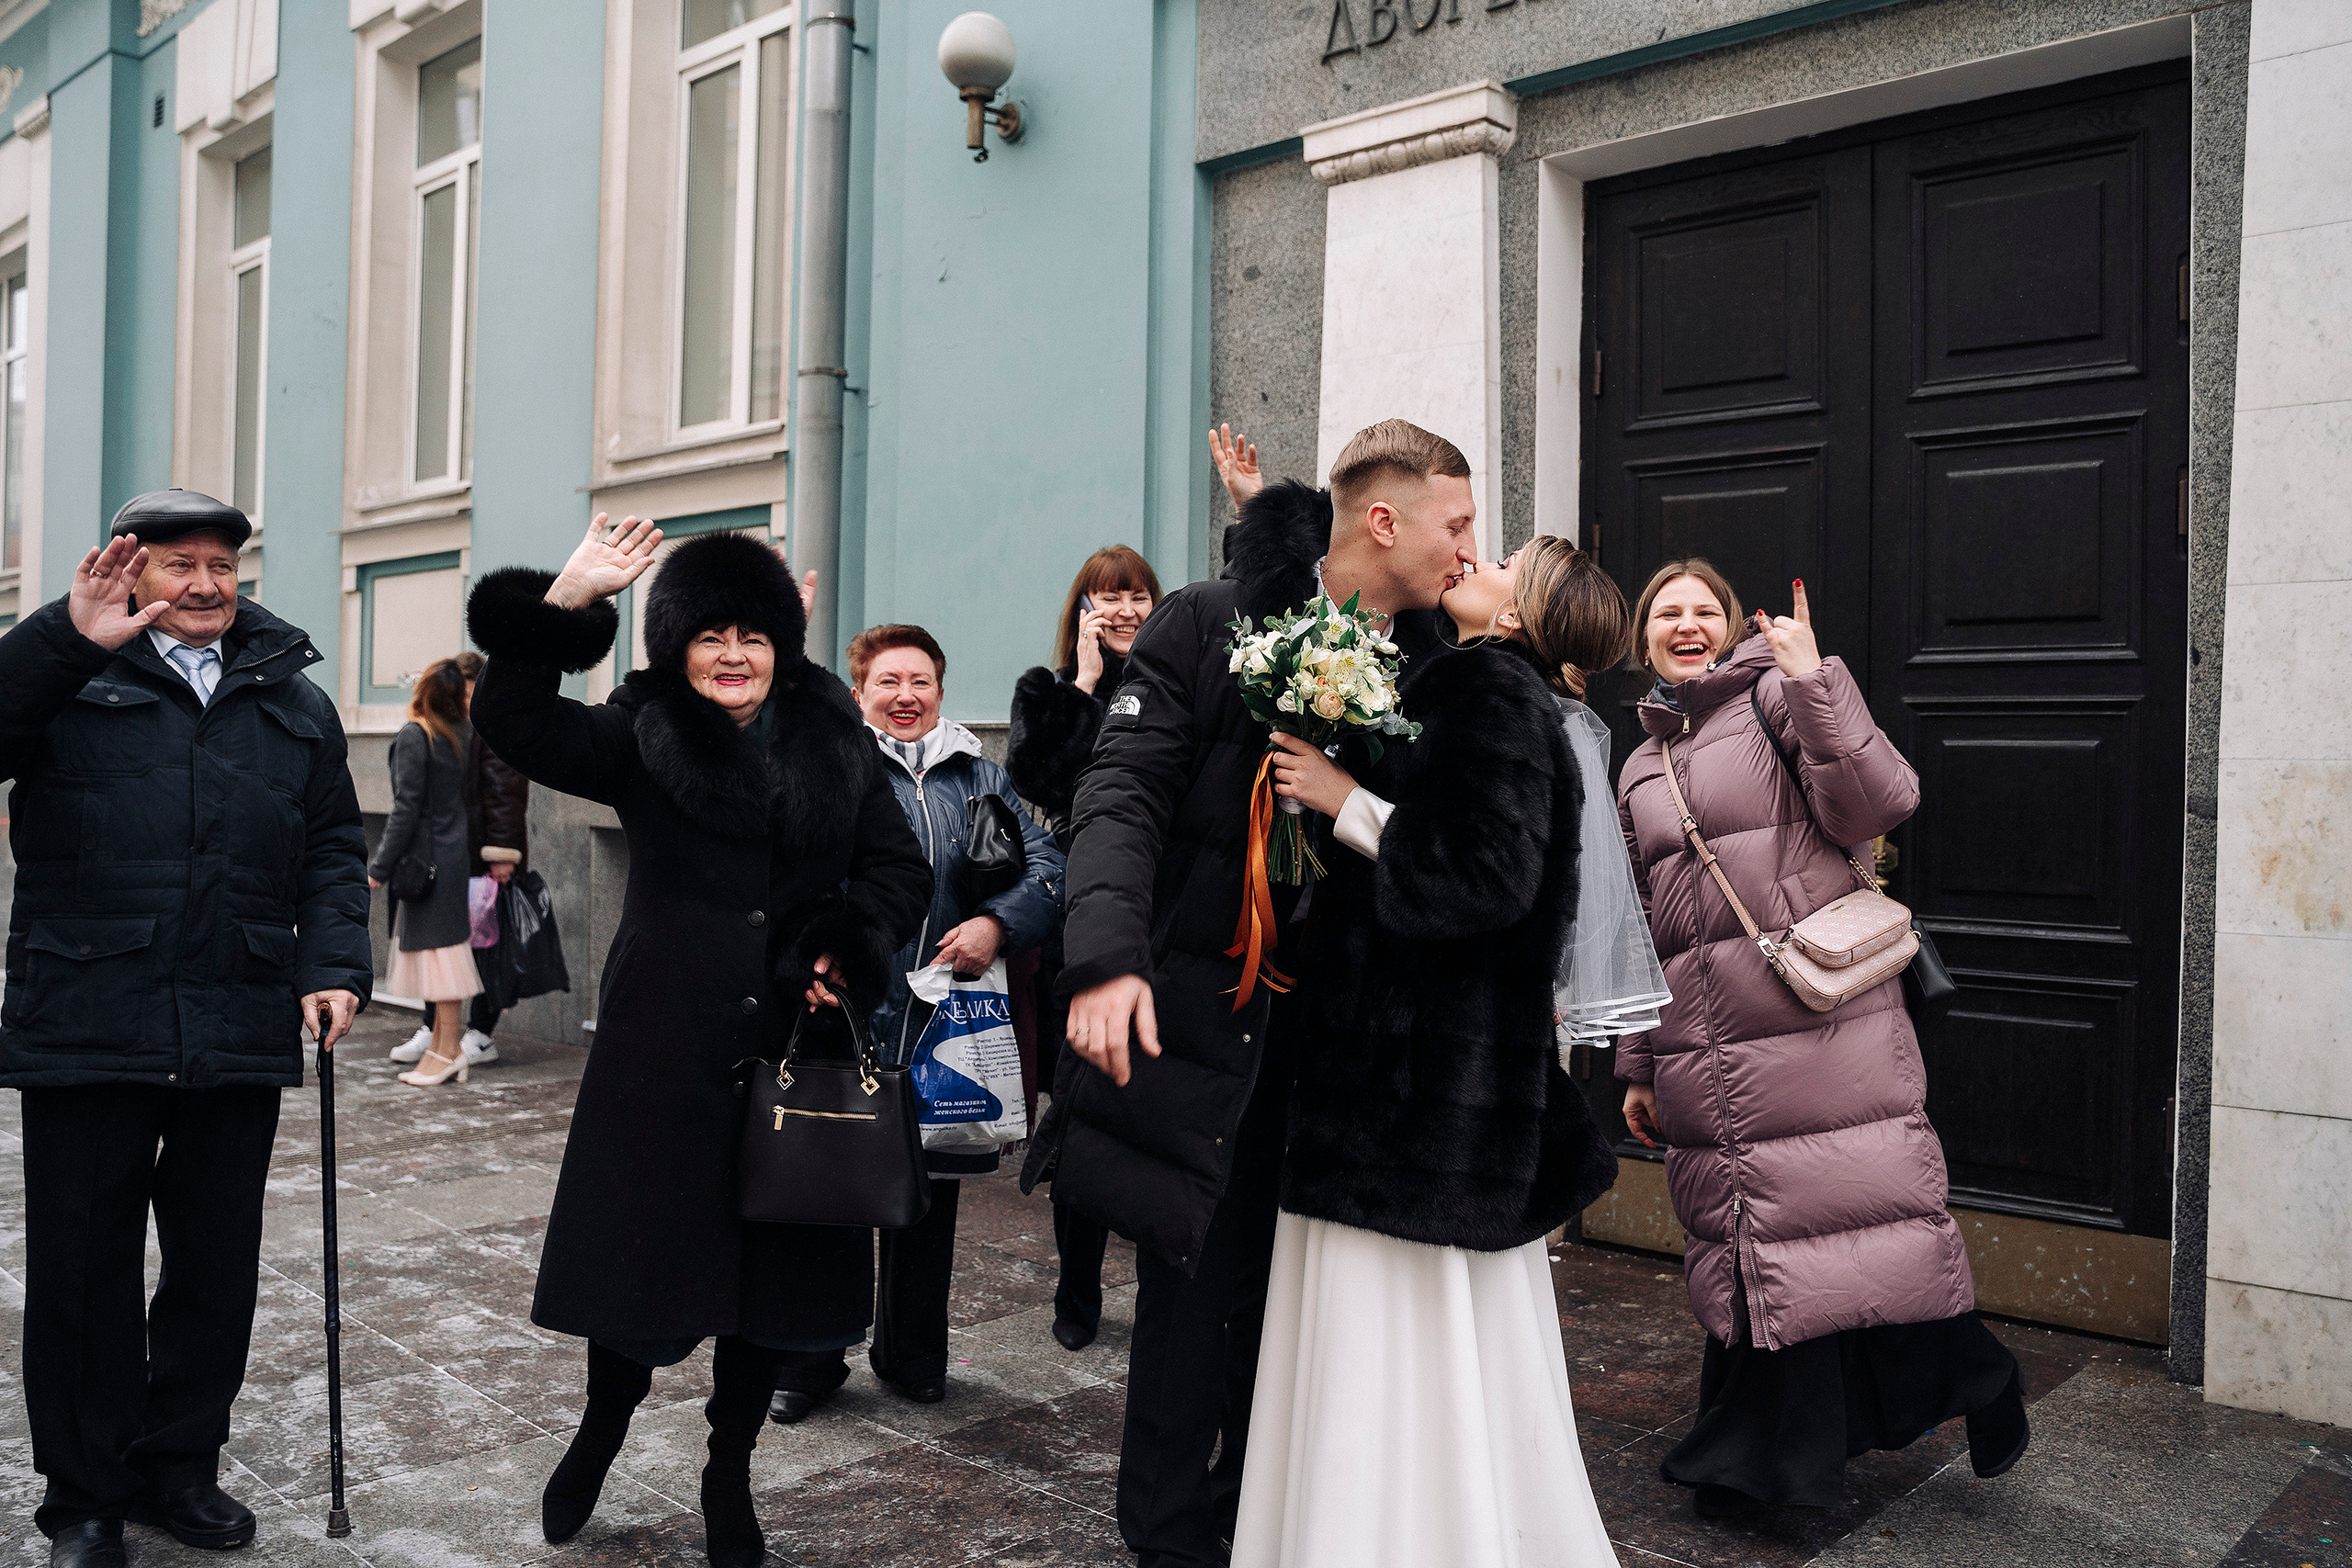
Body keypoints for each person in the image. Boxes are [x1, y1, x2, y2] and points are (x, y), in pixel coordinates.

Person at [1022, 419, 1479, 1568]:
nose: (1471, 550)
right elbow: (1120, 795)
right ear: (1387, 522)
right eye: (1459, 524)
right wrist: (1106, 957)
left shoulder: (1443, 668)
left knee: (1307, 1318)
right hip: (1212, 1023)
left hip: (1353, 1056)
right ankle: (1171, 1538)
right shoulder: (1207, 621)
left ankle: (1264, 1523)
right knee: (1192, 1298)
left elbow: (1461, 856)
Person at [465, 518, 930, 1568]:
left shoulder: (835, 737)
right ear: (675, 648)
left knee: (767, 1289)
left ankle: (729, 1473)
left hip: (790, 1054)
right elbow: (514, 719)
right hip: (662, 1055)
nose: (732, 655)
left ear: (781, 645)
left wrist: (844, 945)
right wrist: (569, 597)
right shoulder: (641, 730)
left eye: (752, 634)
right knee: (640, 1277)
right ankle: (601, 1431)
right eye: (710, 635)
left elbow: (899, 869)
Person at [1225, 537, 1631, 1566]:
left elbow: (1485, 880)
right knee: (1443, 1336)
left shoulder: (1489, 688)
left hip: (1413, 1089)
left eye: (1502, 559)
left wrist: (1342, 801)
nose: (1472, 557)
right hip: (1430, 1082)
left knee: (1391, 1327)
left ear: (1518, 613)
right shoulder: (1475, 682)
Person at [1612, 559, 2029, 1517]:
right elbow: (1642, 925)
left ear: (1731, 627)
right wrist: (1638, 1065)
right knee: (1764, 1241)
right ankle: (1956, 1381)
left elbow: (1878, 803)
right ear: (1643, 638)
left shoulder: (1774, 701)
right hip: (1705, 1048)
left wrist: (1812, 679)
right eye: (1666, 612)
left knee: (1820, 1230)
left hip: (1815, 1022)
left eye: (1704, 610)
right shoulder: (1637, 765)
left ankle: (1774, 1462)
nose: (1685, 624)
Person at [0, 491, 370, 1568]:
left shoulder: (293, 700)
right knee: (82, 1272)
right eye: (178, 564)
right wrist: (63, 637)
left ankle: (180, 1468)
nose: (205, 584)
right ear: (133, 572)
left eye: (220, 565)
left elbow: (333, 848)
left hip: (236, 1010)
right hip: (89, 1013)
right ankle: (85, 1499)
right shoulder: (71, 673)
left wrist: (332, 965)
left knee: (215, 1266)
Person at [764, 625, 1065, 1425]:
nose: (906, 696)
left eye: (921, 681)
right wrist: (808, 962)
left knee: (928, 1198)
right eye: (888, 681)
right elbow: (786, 876)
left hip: (944, 1024)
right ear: (859, 692)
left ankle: (913, 1356)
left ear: (940, 688)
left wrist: (997, 923)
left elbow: (1047, 865)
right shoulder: (833, 766)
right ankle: (810, 1359)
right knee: (829, 1193)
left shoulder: (980, 773)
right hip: (847, 1015)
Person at [1004, 544, 1161, 1351]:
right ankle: (1077, 1291)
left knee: (1157, 1114)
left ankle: (1161, 1287)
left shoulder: (1177, 686)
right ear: (1083, 611)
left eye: (1138, 595)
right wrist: (1088, 684)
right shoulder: (1050, 691)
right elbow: (1039, 779)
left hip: (1166, 923)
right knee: (1082, 1109)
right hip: (1086, 925)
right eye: (1108, 597)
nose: (1125, 610)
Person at [388, 651, 526, 1068]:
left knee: (483, 945)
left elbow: (504, 791)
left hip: (481, 854)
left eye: (470, 694)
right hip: (445, 854)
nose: (465, 703)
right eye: (461, 695)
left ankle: (481, 1032)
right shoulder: (443, 729)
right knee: (440, 946)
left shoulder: (491, 726)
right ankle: (435, 1028)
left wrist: (501, 853)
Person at [368, 658, 484, 1087]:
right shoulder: (458, 733)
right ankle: (441, 1048)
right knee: (444, 955)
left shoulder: (417, 735)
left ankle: (448, 1052)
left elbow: (405, 808)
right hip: (450, 858)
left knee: (443, 961)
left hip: (426, 862)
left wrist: (378, 867)